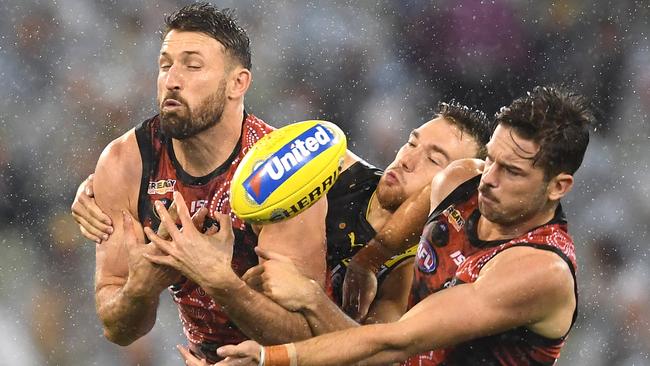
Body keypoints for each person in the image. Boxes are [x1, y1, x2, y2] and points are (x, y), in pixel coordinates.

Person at [208, 86, 593, 366]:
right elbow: (391, 240)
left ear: (558, 187)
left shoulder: (540, 271)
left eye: (511, 171)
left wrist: (269, 356)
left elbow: (395, 344)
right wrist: (367, 262)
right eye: (491, 159)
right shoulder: (460, 181)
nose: (489, 178)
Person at [73, 100, 493, 327]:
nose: (408, 158)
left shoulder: (410, 274)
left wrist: (277, 351)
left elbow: (367, 355)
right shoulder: (335, 164)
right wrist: (107, 185)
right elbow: (242, 148)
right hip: (208, 338)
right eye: (412, 142)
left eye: (434, 159)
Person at [84, 3, 328, 363]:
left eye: (193, 65)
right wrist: (141, 287)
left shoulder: (282, 170)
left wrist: (218, 280)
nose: (172, 79)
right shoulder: (127, 162)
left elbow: (310, 335)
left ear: (237, 83)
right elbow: (119, 330)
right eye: (165, 64)